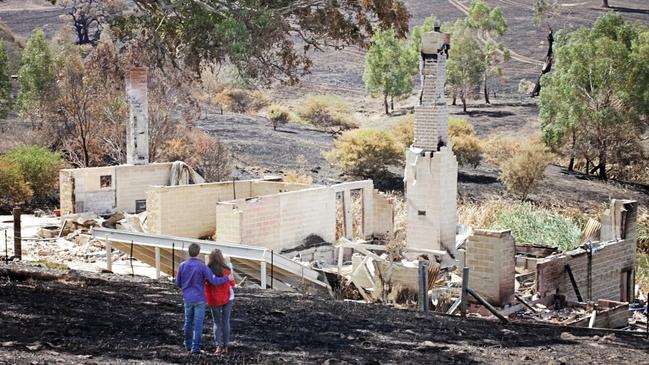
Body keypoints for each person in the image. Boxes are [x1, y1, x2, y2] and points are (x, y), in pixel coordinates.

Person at [176, 243, 232, 354]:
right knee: (198, 323)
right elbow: (214, 281)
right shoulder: (202, 266)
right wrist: (227, 279)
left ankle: (187, 345)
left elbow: (178, 282)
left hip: (187, 298)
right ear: (198, 253)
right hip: (199, 299)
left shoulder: (182, 265)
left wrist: (186, 288)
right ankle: (195, 348)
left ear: (189, 252)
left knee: (188, 322)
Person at [205, 249, 236, 354]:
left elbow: (205, 283)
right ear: (221, 257)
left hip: (214, 299)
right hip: (227, 298)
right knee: (225, 321)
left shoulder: (207, 270)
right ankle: (226, 346)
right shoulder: (226, 269)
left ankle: (218, 346)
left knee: (217, 323)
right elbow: (232, 284)